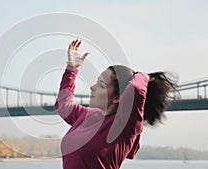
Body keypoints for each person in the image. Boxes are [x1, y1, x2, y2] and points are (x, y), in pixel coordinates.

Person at [55, 39, 178, 169]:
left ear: (117, 98)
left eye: (101, 85)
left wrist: (143, 76)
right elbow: (62, 105)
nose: (92, 87)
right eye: (97, 82)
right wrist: (71, 69)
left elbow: (135, 88)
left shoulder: (124, 125)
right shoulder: (87, 116)